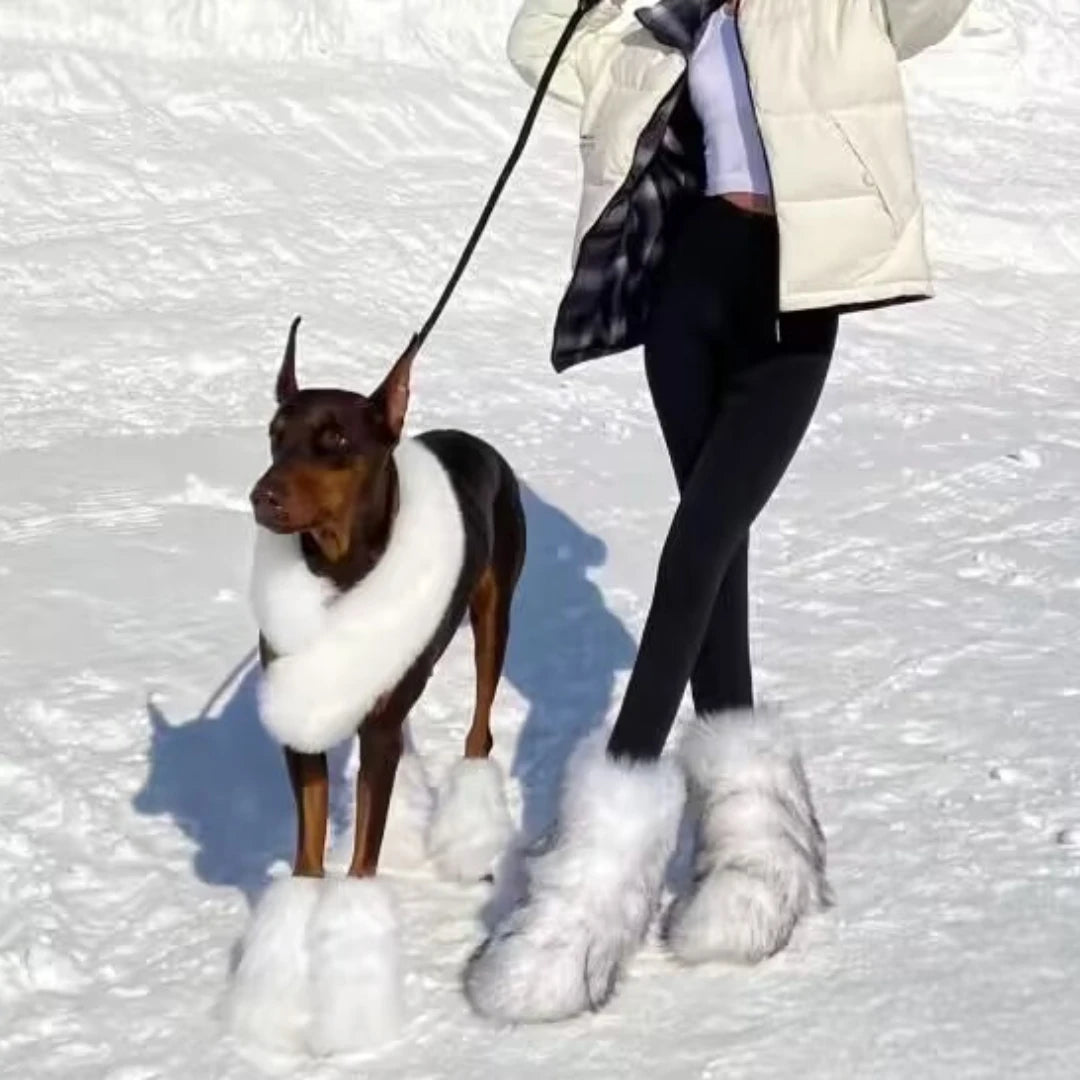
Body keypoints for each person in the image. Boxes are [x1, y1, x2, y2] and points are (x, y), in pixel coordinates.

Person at [465, 0, 971, 1023]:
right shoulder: (671, 21)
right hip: (687, 301)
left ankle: (594, 881)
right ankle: (755, 850)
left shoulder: (845, 9)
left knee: (695, 552)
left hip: (792, 307)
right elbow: (536, 44)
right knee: (718, 550)